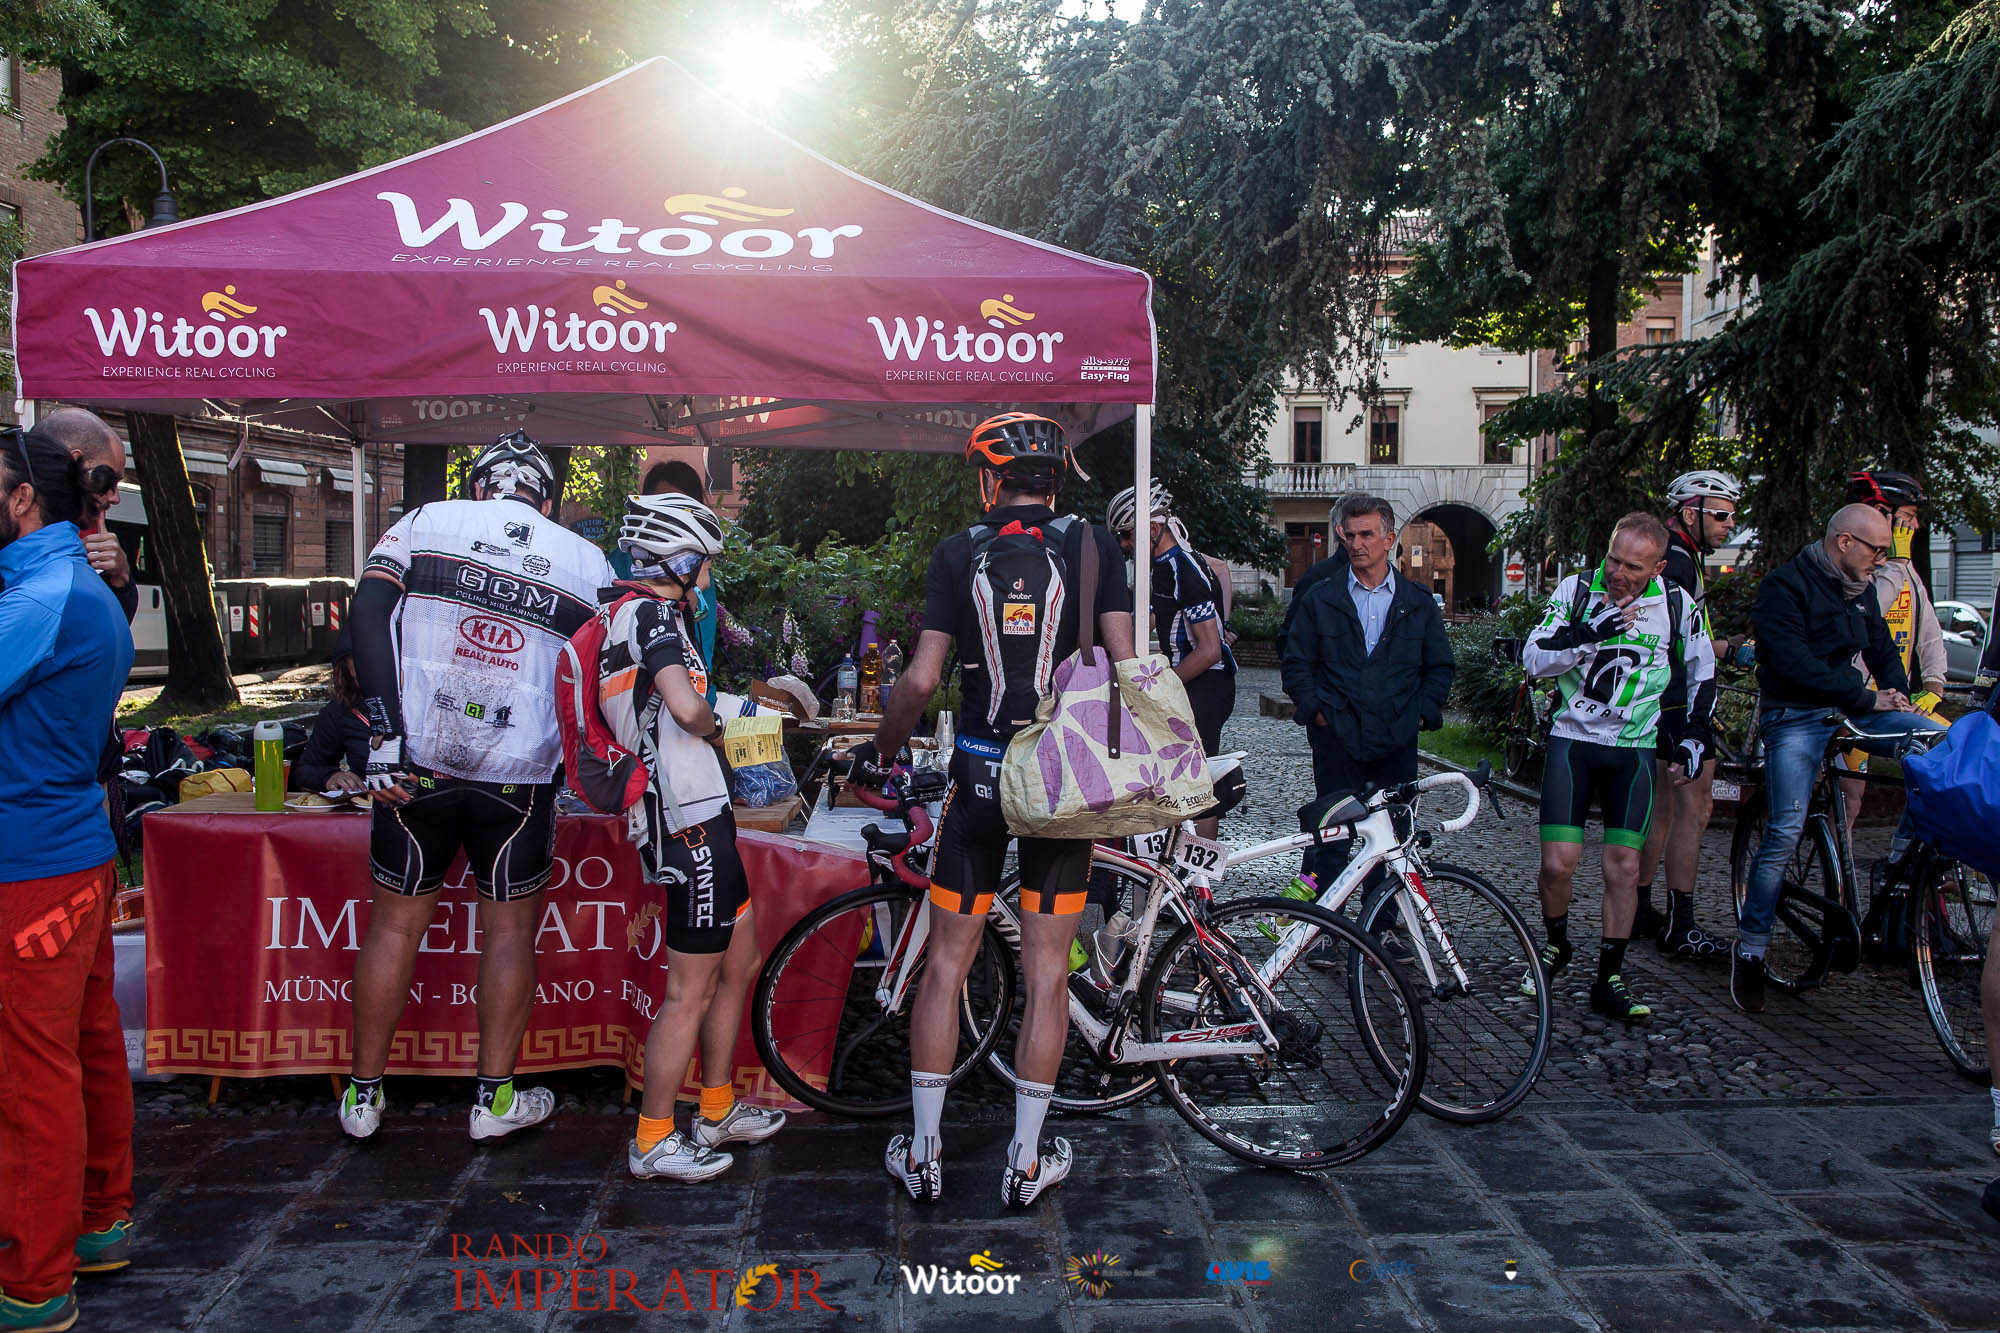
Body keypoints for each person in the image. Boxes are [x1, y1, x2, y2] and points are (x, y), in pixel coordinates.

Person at [854, 411, 1133, 1207]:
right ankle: (1025, 1161)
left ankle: (925, 1154)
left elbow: (919, 680)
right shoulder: (1095, 546)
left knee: (946, 964)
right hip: (1060, 779)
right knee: (1046, 973)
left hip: (978, 775)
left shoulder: (958, 552)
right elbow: (1125, 664)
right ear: (1056, 480)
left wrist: (880, 750)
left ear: (989, 480)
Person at [338, 430, 614, 1141]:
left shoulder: (427, 519)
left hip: (415, 758)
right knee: (510, 933)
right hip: (519, 773)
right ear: (546, 500)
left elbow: (366, 611)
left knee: (393, 926)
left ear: (478, 484)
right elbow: (601, 673)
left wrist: (382, 733)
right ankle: (494, 1102)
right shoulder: (586, 560)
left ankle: (363, 1099)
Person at [604, 491, 787, 1182]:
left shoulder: (649, 614)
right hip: (685, 823)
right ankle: (653, 1138)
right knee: (690, 991)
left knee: (741, 963)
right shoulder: (650, 613)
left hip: (706, 816)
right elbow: (685, 708)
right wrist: (725, 726)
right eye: (703, 561)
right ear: (677, 561)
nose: (708, 573)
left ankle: (715, 1109)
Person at [0, 427, 136, 1333]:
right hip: (68, 851)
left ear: (22, 500)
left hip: (31, 863)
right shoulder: (70, 587)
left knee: (28, 1074)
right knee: (81, 1049)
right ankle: (95, 1221)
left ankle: (34, 1280)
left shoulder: (43, 595)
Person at [1733, 503, 1947, 1014]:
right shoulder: (1784, 587)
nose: (1883, 560)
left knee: (1939, 744)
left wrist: (1898, 695)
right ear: (1845, 542)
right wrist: (1868, 697)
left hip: (1853, 707)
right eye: (1877, 549)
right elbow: (1792, 664)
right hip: (1796, 714)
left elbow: (1882, 649)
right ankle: (1751, 951)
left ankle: (1903, 859)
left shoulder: (1861, 587)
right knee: (1785, 829)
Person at [1521, 513, 1715, 1026]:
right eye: (1613, 559)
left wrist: (1697, 733)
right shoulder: (1577, 589)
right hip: (1574, 742)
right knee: (1558, 865)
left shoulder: (1676, 603)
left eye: (1633, 566)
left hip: (1633, 750)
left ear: (1657, 568)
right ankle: (1557, 944)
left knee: (1624, 868)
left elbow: (1703, 670)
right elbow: (1533, 658)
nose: (1619, 573)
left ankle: (1609, 977)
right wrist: (1588, 633)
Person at [1278, 494, 1454, 883]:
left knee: (1392, 840)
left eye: (1367, 535)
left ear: (1389, 539)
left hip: (1396, 741)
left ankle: (1382, 917)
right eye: (1351, 535)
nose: (1357, 544)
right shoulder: (1321, 598)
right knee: (1330, 840)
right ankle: (1321, 916)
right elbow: (1295, 662)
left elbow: (1440, 666)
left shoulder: (1417, 603)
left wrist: (1419, 714)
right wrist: (1318, 712)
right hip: (1338, 739)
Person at [1632, 471, 1739, 960]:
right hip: (1679, 701)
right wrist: (1728, 650)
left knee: (1663, 809)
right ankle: (1682, 923)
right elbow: (1673, 634)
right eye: (1720, 515)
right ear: (1690, 513)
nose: (1728, 524)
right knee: (1694, 809)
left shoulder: (1678, 555)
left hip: (1660, 700)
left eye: (1731, 515)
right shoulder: (1677, 562)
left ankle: (1640, 907)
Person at [1105, 480, 1236, 836]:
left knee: (1197, 779)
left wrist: (1161, 684)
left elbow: (1209, 650)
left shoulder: (1183, 568)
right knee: (1178, 775)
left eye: (1128, 535)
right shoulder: (1164, 566)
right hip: (1196, 681)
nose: (1125, 544)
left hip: (1207, 684)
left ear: (1153, 529)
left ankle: (1202, 866)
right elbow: (1153, 617)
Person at [1835, 471, 1950, 851]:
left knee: (1954, 755)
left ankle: (1905, 855)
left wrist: (1934, 684)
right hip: (1855, 702)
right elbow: (1872, 609)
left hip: (1895, 700)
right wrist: (1896, 563)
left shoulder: (1905, 569)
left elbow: (1928, 629)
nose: (1914, 526)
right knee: (1849, 801)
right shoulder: (1854, 569)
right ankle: (1839, 876)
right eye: (1907, 517)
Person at [613, 460, 718, 702]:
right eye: (663, 504)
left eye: (680, 505)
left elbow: (701, 648)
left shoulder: (699, 573)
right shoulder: (619, 563)